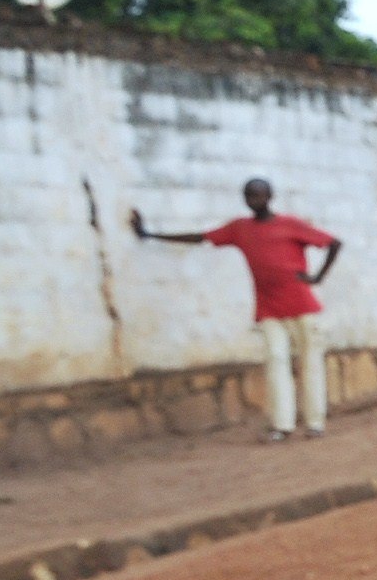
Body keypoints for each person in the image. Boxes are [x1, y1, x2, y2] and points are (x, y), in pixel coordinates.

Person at [131, 180, 340, 441]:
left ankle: (315, 422)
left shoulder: (290, 224)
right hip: (268, 307)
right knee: (275, 361)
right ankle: (282, 425)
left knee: (311, 361)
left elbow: (333, 243)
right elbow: (202, 237)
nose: (253, 200)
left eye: (258, 195)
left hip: (302, 304)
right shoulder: (240, 229)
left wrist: (317, 278)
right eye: (248, 196)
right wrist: (150, 235)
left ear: (269, 197)